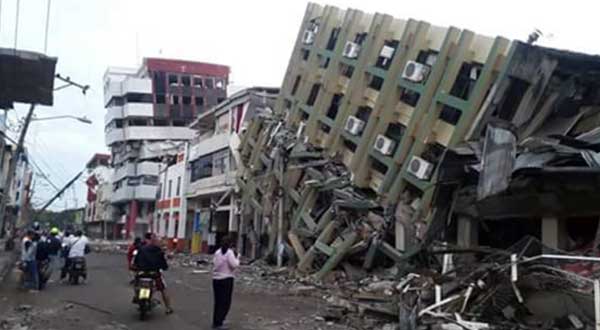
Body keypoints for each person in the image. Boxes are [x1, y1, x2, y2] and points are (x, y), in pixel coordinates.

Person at [133, 233, 173, 315]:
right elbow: (164, 265)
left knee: (136, 284)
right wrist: (164, 267)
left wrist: (136, 267)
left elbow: (135, 262)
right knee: (163, 289)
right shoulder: (159, 251)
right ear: (156, 242)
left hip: (141, 273)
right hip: (154, 274)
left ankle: (137, 296)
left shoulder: (141, 249)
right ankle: (168, 308)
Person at [211, 236, 240, 329]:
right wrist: (238, 257)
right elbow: (234, 265)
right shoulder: (229, 253)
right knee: (225, 302)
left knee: (218, 301)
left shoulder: (218, 252)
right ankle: (219, 322)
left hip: (216, 279)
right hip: (226, 279)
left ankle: (217, 320)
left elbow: (215, 264)